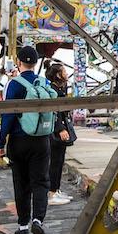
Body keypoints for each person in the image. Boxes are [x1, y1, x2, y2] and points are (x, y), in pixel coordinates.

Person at [0, 46, 51, 234]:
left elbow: (8, 115)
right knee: (41, 181)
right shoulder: (44, 82)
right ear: (35, 63)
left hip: (19, 141)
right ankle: (38, 220)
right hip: (42, 140)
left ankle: (23, 226)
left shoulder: (13, 84)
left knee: (22, 183)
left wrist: (0, 144)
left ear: (18, 62)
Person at [45, 62, 75, 206]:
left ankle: (55, 189)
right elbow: (53, 112)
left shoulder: (59, 88)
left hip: (59, 127)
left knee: (59, 160)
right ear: (58, 74)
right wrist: (60, 129)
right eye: (64, 71)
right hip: (57, 129)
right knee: (55, 162)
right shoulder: (53, 91)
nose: (66, 73)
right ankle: (51, 193)